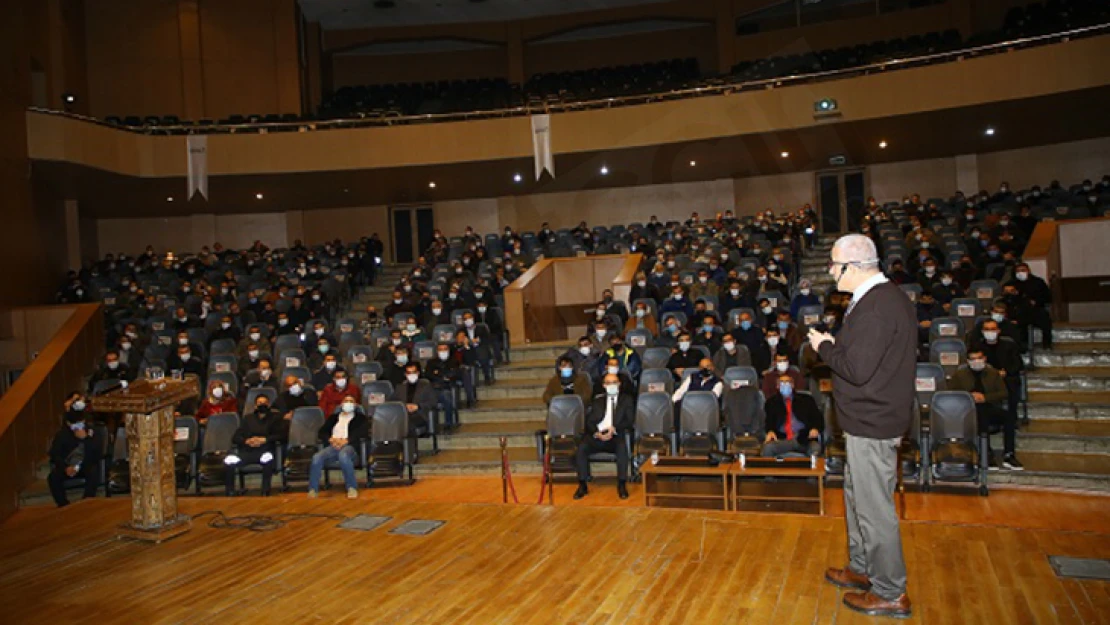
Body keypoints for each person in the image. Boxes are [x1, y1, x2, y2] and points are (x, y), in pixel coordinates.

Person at [808, 234, 915, 618]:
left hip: (873, 422)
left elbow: (855, 367)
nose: (832, 273)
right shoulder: (875, 300)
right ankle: (863, 569)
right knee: (857, 498)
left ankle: (889, 590)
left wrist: (823, 346)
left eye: (835, 266)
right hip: (866, 420)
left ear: (853, 267)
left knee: (874, 509)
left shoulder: (877, 307)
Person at [949, 348, 1022, 470]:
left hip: (989, 405)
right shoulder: (959, 375)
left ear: (984, 359)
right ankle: (986, 453)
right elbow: (951, 393)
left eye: (979, 358)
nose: (976, 361)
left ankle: (1009, 454)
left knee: (1009, 416)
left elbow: (1003, 393)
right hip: (967, 410)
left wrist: (985, 397)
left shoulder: (993, 373)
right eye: (973, 359)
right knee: (981, 414)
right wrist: (969, 396)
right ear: (967, 361)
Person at [573, 373, 634, 501]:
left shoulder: (626, 400)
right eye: (608, 382)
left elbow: (630, 421)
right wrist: (596, 432)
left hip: (615, 435)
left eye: (614, 382)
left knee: (622, 447)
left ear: (619, 384)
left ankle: (622, 484)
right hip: (598, 435)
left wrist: (615, 429)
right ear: (604, 385)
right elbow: (589, 421)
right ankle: (582, 485)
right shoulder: (598, 400)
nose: (612, 385)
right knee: (582, 448)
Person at [308, 395, 367, 499]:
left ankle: (351, 488)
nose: (348, 403)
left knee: (343, 455)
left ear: (355, 405)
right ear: (341, 404)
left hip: (349, 446)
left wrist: (346, 441)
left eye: (351, 401)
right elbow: (322, 432)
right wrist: (331, 439)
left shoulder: (360, 418)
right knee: (316, 457)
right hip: (333, 445)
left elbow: (362, 433)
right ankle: (313, 489)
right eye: (346, 401)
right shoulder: (333, 418)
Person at [48, 393, 101, 507]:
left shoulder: (91, 431)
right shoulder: (62, 435)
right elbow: (55, 454)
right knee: (53, 477)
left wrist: (86, 439)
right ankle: (63, 505)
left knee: (94, 470)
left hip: (85, 465)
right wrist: (65, 467)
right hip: (68, 467)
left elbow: (96, 454)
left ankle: (87, 501)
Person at [224, 394, 282, 496]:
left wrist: (264, 440)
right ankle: (230, 491)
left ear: (268, 405)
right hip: (247, 452)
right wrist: (247, 441)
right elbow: (236, 437)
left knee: (268, 458)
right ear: (255, 406)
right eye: (259, 403)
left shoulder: (275, 418)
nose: (262, 405)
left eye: (264, 403)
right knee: (229, 459)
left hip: (264, 450)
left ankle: (265, 490)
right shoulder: (247, 419)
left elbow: (280, 436)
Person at [762, 375, 823, 458]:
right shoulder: (771, 403)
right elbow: (768, 422)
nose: (785, 385)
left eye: (788, 382)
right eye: (782, 383)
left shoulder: (807, 400)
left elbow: (817, 418)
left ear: (793, 385)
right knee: (768, 448)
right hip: (782, 439)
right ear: (777, 386)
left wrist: (815, 428)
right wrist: (770, 431)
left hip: (804, 438)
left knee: (815, 448)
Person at [391, 363, 434, 436]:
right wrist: (404, 406)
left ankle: (408, 444)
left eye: (413, 372)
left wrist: (418, 406)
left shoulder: (426, 386)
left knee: (407, 422)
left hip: (419, 414)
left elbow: (432, 402)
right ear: (405, 374)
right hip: (403, 413)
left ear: (418, 373)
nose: (411, 375)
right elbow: (392, 401)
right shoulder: (400, 387)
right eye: (409, 373)